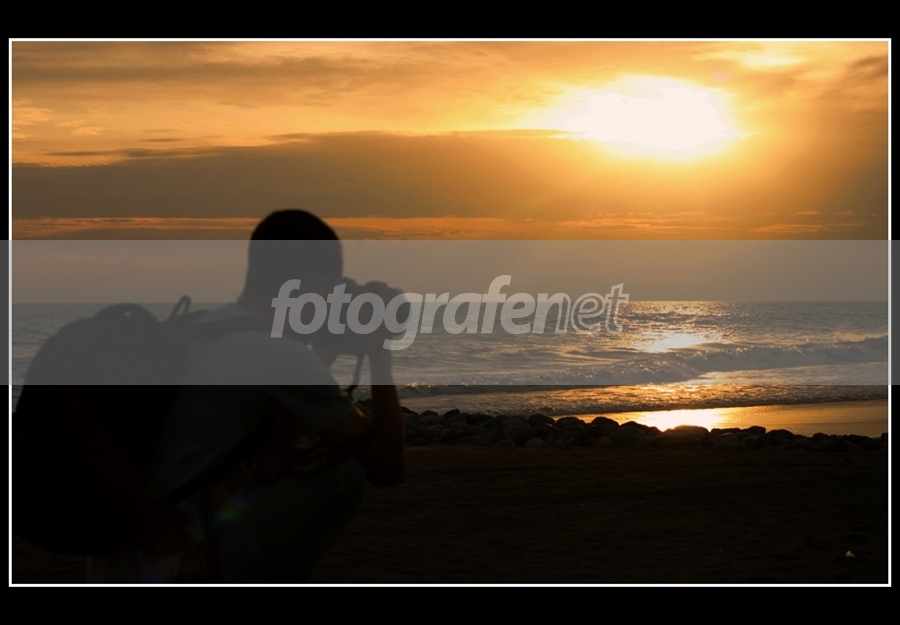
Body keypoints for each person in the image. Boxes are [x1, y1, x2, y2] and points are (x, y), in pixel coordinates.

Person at [87, 210, 405, 583]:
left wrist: (323, 354)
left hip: (117, 560)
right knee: (346, 476)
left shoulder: (205, 327)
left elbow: (271, 455)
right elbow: (388, 466)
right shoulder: (281, 356)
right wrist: (379, 351)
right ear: (313, 284)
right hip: (174, 563)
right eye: (335, 288)